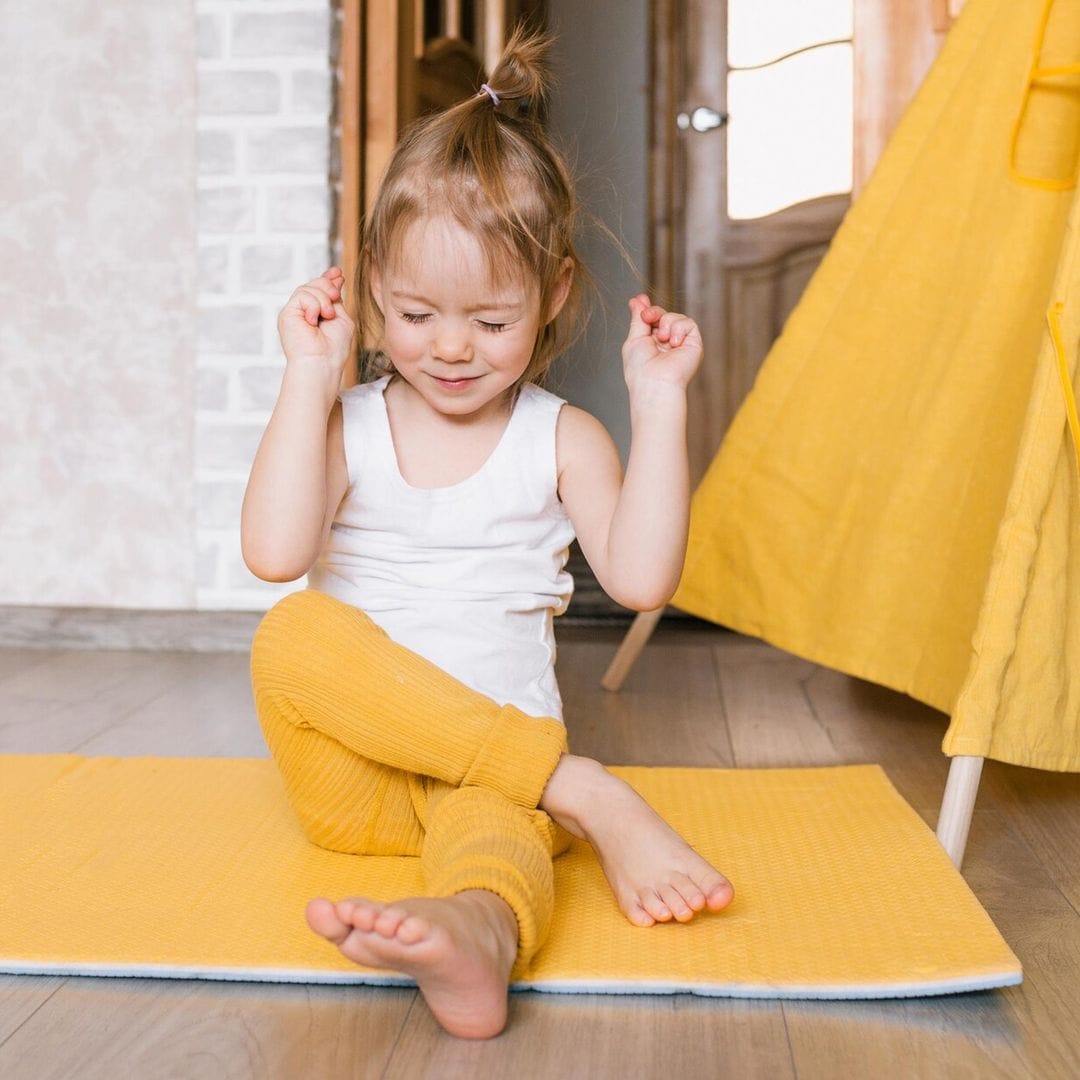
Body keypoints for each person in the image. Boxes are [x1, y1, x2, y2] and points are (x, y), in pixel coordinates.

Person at [241, 27, 733, 1040]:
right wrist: (306, 379)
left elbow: (642, 580)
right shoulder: (350, 424)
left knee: (497, 841)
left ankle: (470, 935)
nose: (453, 348)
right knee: (288, 634)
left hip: (490, 786)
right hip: (359, 785)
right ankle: (581, 791)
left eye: (493, 322)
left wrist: (662, 402)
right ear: (372, 281)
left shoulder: (563, 437)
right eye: (418, 314)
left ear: (552, 296)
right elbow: (275, 554)